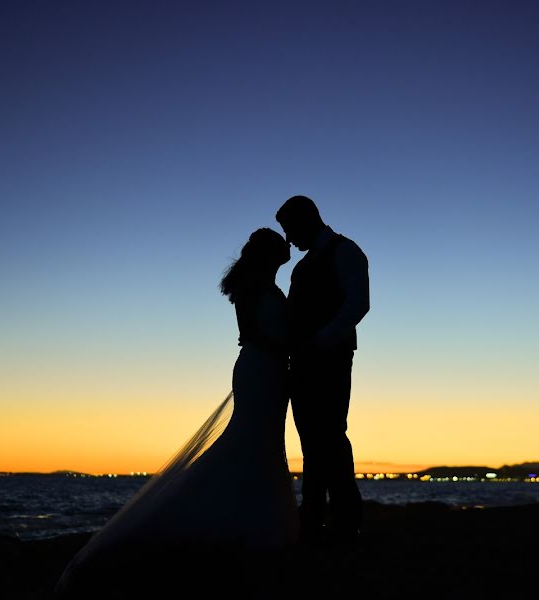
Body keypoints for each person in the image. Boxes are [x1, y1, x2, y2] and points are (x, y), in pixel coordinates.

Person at [53, 228, 299, 598]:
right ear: (269, 254)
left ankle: (251, 516)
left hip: (269, 368)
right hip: (261, 368)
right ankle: (236, 519)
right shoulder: (253, 287)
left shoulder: (263, 283)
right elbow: (252, 334)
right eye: (281, 245)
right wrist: (288, 348)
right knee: (252, 439)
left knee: (261, 442)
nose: (288, 247)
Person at [276, 195, 370, 545]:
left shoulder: (346, 251)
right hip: (300, 363)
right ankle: (313, 518)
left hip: (330, 360)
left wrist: (321, 341)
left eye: (289, 230)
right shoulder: (302, 267)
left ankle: (347, 521)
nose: (288, 239)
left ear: (306, 221)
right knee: (311, 443)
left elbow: (358, 302)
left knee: (330, 437)